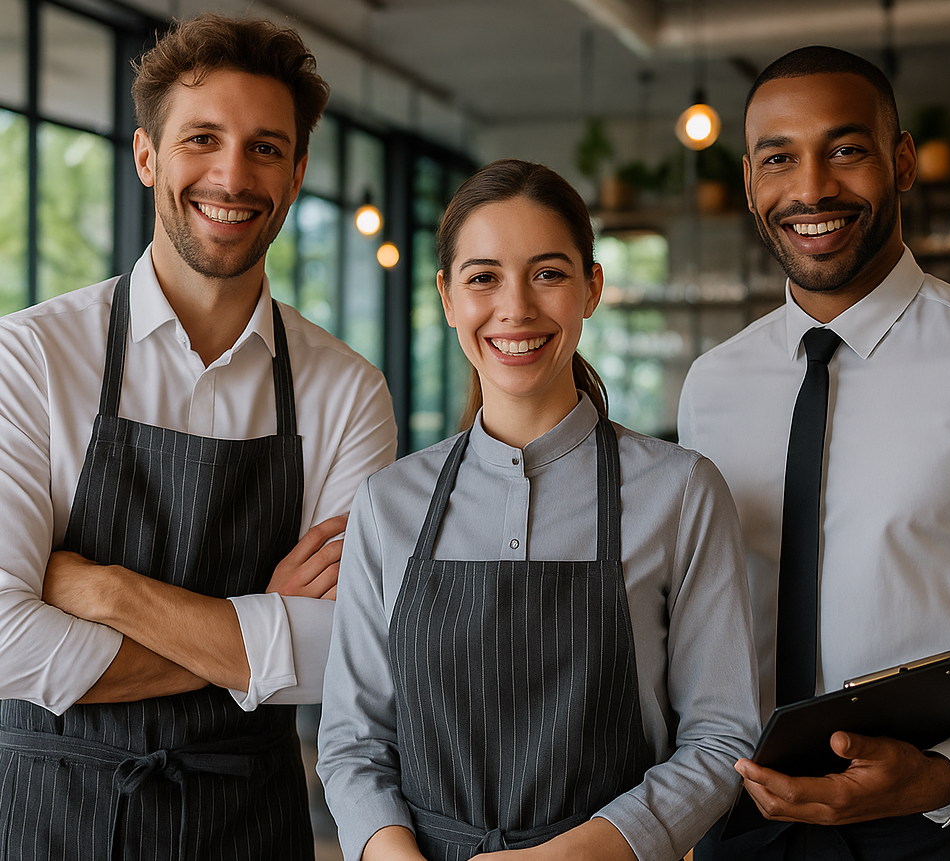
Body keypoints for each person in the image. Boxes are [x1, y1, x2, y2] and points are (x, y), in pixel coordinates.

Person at [0, 13, 397, 860]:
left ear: (295, 175)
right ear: (147, 156)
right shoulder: (30, 357)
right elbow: (2, 640)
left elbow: (346, 655)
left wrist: (108, 590)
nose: (231, 173)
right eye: (202, 138)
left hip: (249, 824)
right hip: (47, 818)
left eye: (264, 147)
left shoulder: (346, 391)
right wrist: (256, 639)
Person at [315, 158, 760, 861]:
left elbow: (721, 737)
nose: (515, 308)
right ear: (447, 296)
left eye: (548, 273)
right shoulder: (387, 502)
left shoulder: (680, 491)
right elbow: (353, 741)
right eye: (483, 277)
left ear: (592, 287)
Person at [677, 45, 950, 860]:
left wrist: (943, 774)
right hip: (737, 825)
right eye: (778, 159)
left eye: (846, 149)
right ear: (753, 183)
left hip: (926, 829)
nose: (811, 189)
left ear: (901, 162)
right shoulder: (711, 384)